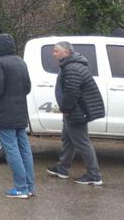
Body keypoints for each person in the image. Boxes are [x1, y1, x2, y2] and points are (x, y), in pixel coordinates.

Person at [0, 34, 36, 198]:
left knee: (12, 149)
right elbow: (27, 87)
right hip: (20, 112)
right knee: (24, 149)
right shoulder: (21, 62)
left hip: (4, 113)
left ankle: (20, 188)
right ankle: (29, 187)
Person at [47, 41, 105, 186]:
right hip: (73, 110)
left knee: (82, 142)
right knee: (68, 139)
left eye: (56, 51)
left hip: (75, 111)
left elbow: (72, 92)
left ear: (66, 52)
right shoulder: (71, 65)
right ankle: (62, 168)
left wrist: (65, 109)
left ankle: (94, 175)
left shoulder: (72, 67)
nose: (54, 54)